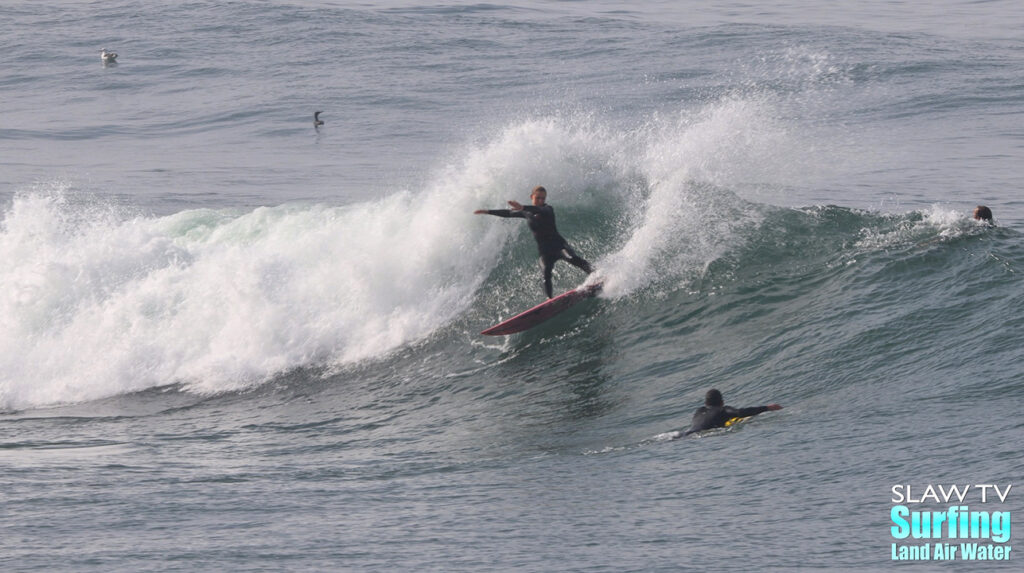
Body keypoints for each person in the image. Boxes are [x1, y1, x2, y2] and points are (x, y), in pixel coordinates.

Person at [475, 186, 593, 298]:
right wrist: (487, 211)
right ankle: (550, 301)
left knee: (572, 258)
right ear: (532, 197)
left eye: (543, 198)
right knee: (545, 275)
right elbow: (508, 213)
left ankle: (596, 274)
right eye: (538, 198)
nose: (541, 200)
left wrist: (522, 207)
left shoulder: (548, 209)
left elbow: (538, 209)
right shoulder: (526, 213)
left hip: (560, 247)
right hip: (545, 252)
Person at [684, 389, 782, 435]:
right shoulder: (723, 410)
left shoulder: (699, 410)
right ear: (722, 402)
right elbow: (740, 413)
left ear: (705, 403)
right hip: (701, 435)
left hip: (684, 434)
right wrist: (767, 408)